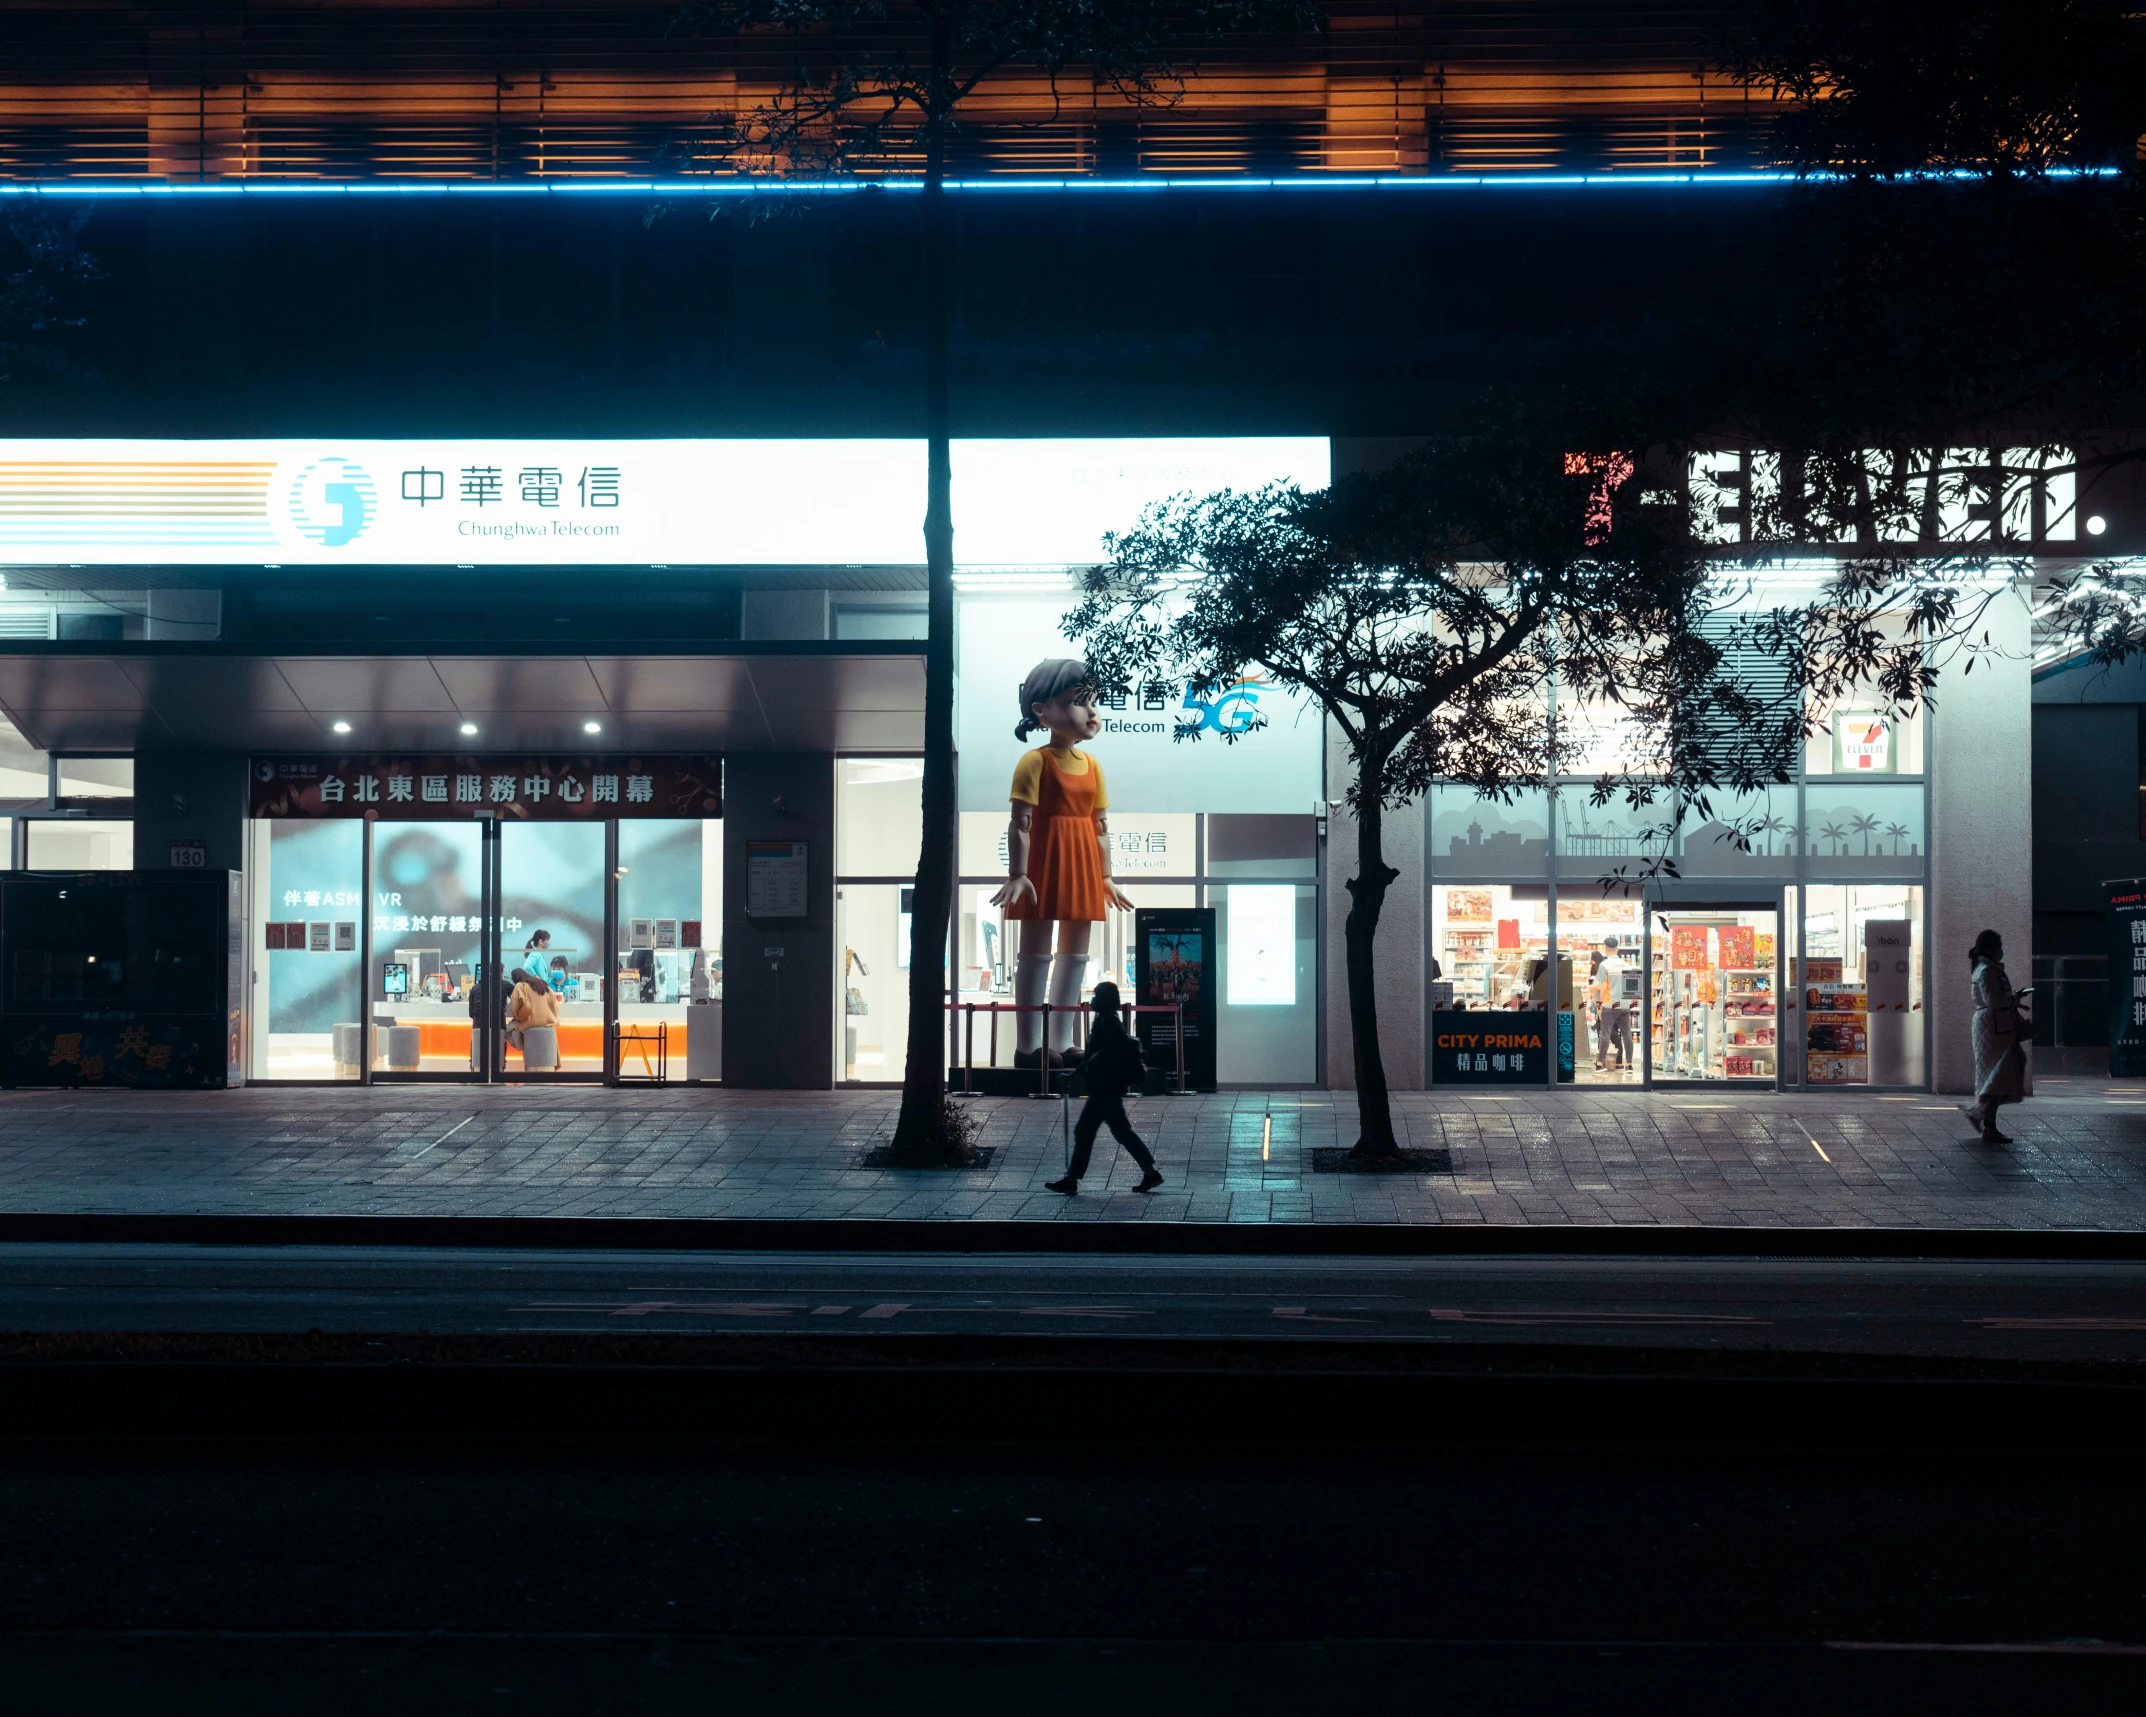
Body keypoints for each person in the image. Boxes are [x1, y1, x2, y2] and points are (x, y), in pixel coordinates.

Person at [991, 658, 1135, 1070]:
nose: (1092, 712)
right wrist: (1018, 874)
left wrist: (1105, 876)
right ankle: (1029, 1047)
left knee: (1076, 953)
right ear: (1041, 710)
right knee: (1035, 952)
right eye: (1079, 702)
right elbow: (1020, 820)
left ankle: (1061, 1041)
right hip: (1046, 858)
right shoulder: (1034, 761)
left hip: (1083, 861)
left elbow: (1100, 825)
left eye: (1094, 702)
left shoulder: (1093, 766)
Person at [1046, 981, 1163, 1196]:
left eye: (1096, 996)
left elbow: (1102, 1056)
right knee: (1122, 1132)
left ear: (1105, 999)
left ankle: (1071, 1180)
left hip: (1104, 1089)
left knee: (1085, 1131)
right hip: (1109, 1088)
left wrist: (1076, 1073)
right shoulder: (1107, 1021)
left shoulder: (1108, 1023)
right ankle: (1151, 1173)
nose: (1092, 1000)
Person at [1963, 928, 2031, 1143]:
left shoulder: (1985, 968)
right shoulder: (1987, 970)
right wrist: (2013, 999)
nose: (2002, 950)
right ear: (1993, 948)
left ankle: (1984, 1118)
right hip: (1993, 1027)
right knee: (2000, 1073)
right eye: (1999, 946)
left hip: (1992, 1026)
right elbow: (1994, 1001)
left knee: (1999, 1073)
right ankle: (1982, 1117)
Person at [1594, 938, 1632, 1070]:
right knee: (1627, 1034)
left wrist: (1599, 1005)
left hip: (1609, 1005)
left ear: (1605, 948)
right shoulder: (1627, 966)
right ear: (1618, 948)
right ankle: (1629, 1063)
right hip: (1625, 1005)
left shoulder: (1604, 965)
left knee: (1605, 1034)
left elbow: (1603, 987)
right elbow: (1632, 987)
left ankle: (1600, 1063)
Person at [508, 969, 562, 1052]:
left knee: (509, 1028)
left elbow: (514, 1009)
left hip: (530, 1025)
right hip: (549, 1025)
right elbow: (555, 1005)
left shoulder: (520, 985)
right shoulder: (543, 984)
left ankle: (527, 1051)